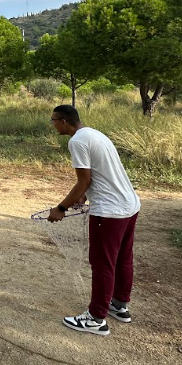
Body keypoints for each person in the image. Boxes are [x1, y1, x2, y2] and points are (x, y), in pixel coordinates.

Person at [47, 104, 141, 337]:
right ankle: (119, 305)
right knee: (123, 259)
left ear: (63, 122)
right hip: (129, 205)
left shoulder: (77, 141)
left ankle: (96, 318)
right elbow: (99, 176)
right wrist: (83, 197)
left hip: (109, 212)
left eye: (53, 121)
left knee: (102, 264)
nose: (53, 125)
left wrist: (61, 208)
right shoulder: (94, 134)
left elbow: (84, 181)